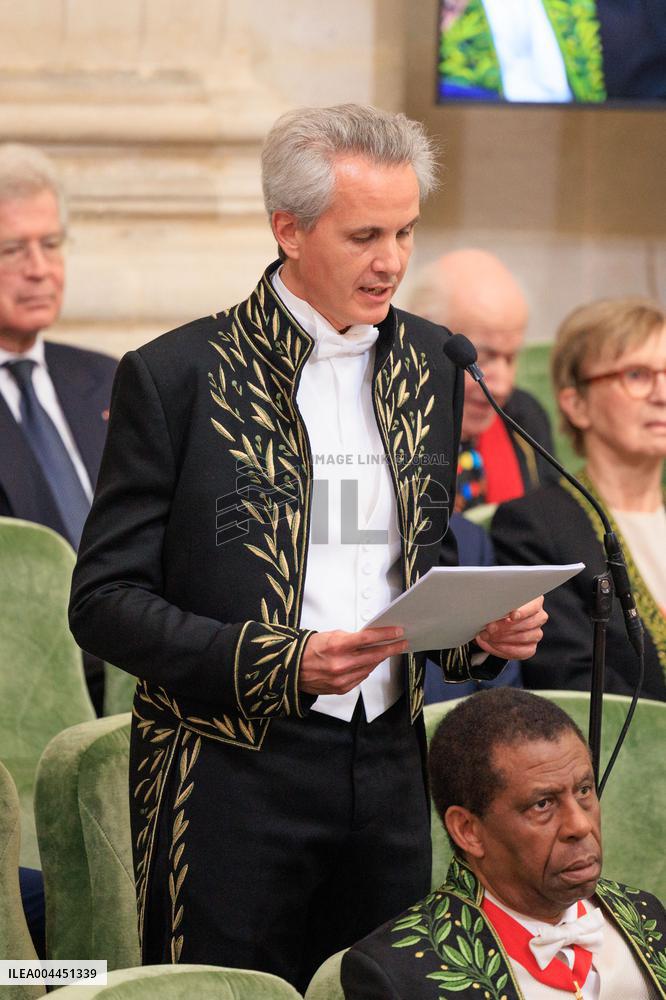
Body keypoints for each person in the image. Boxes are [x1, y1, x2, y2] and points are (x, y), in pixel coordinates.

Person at [68, 104, 547, 992]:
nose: (392, 260)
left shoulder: (433, 366)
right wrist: (280, 662)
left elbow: (417, 562)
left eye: (406, 230)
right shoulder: (179, 376)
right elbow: (102, 602)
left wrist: (477, 632)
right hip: (227, 775)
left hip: (392, 769)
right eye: (365, 234)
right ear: (287, 229)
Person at [342, 688, 666, 999]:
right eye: (543, 804)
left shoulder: (645, 915)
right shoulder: (399, 974)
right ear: (468, 830)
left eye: (583, 790)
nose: (580, 825)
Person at [491, 297, 666, 701]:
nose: (661, 394)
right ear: (576, 404)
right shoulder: (536, 525)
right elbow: (576, 686)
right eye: (637, 374)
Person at [0, 143, 116, 714]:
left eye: (50, 245)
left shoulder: (109, 378)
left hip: (131, 673)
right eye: (11, 250)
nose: (38, 268)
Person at [409, 249, 558, 513]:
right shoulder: (385, 419)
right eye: (482, 357)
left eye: (511, 358)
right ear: (424, 339)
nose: (501, 386)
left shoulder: (524, 418)